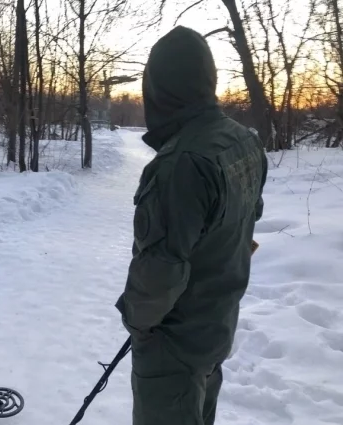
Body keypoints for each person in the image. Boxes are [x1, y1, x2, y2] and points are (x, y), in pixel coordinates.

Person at [115, 26, 268, 425]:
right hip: (214, 326)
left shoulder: (180, 164)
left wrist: (137, 321)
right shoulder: (241, 140)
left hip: (176, 342)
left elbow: (161, 270)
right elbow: (246, 221)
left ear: (160, 89)